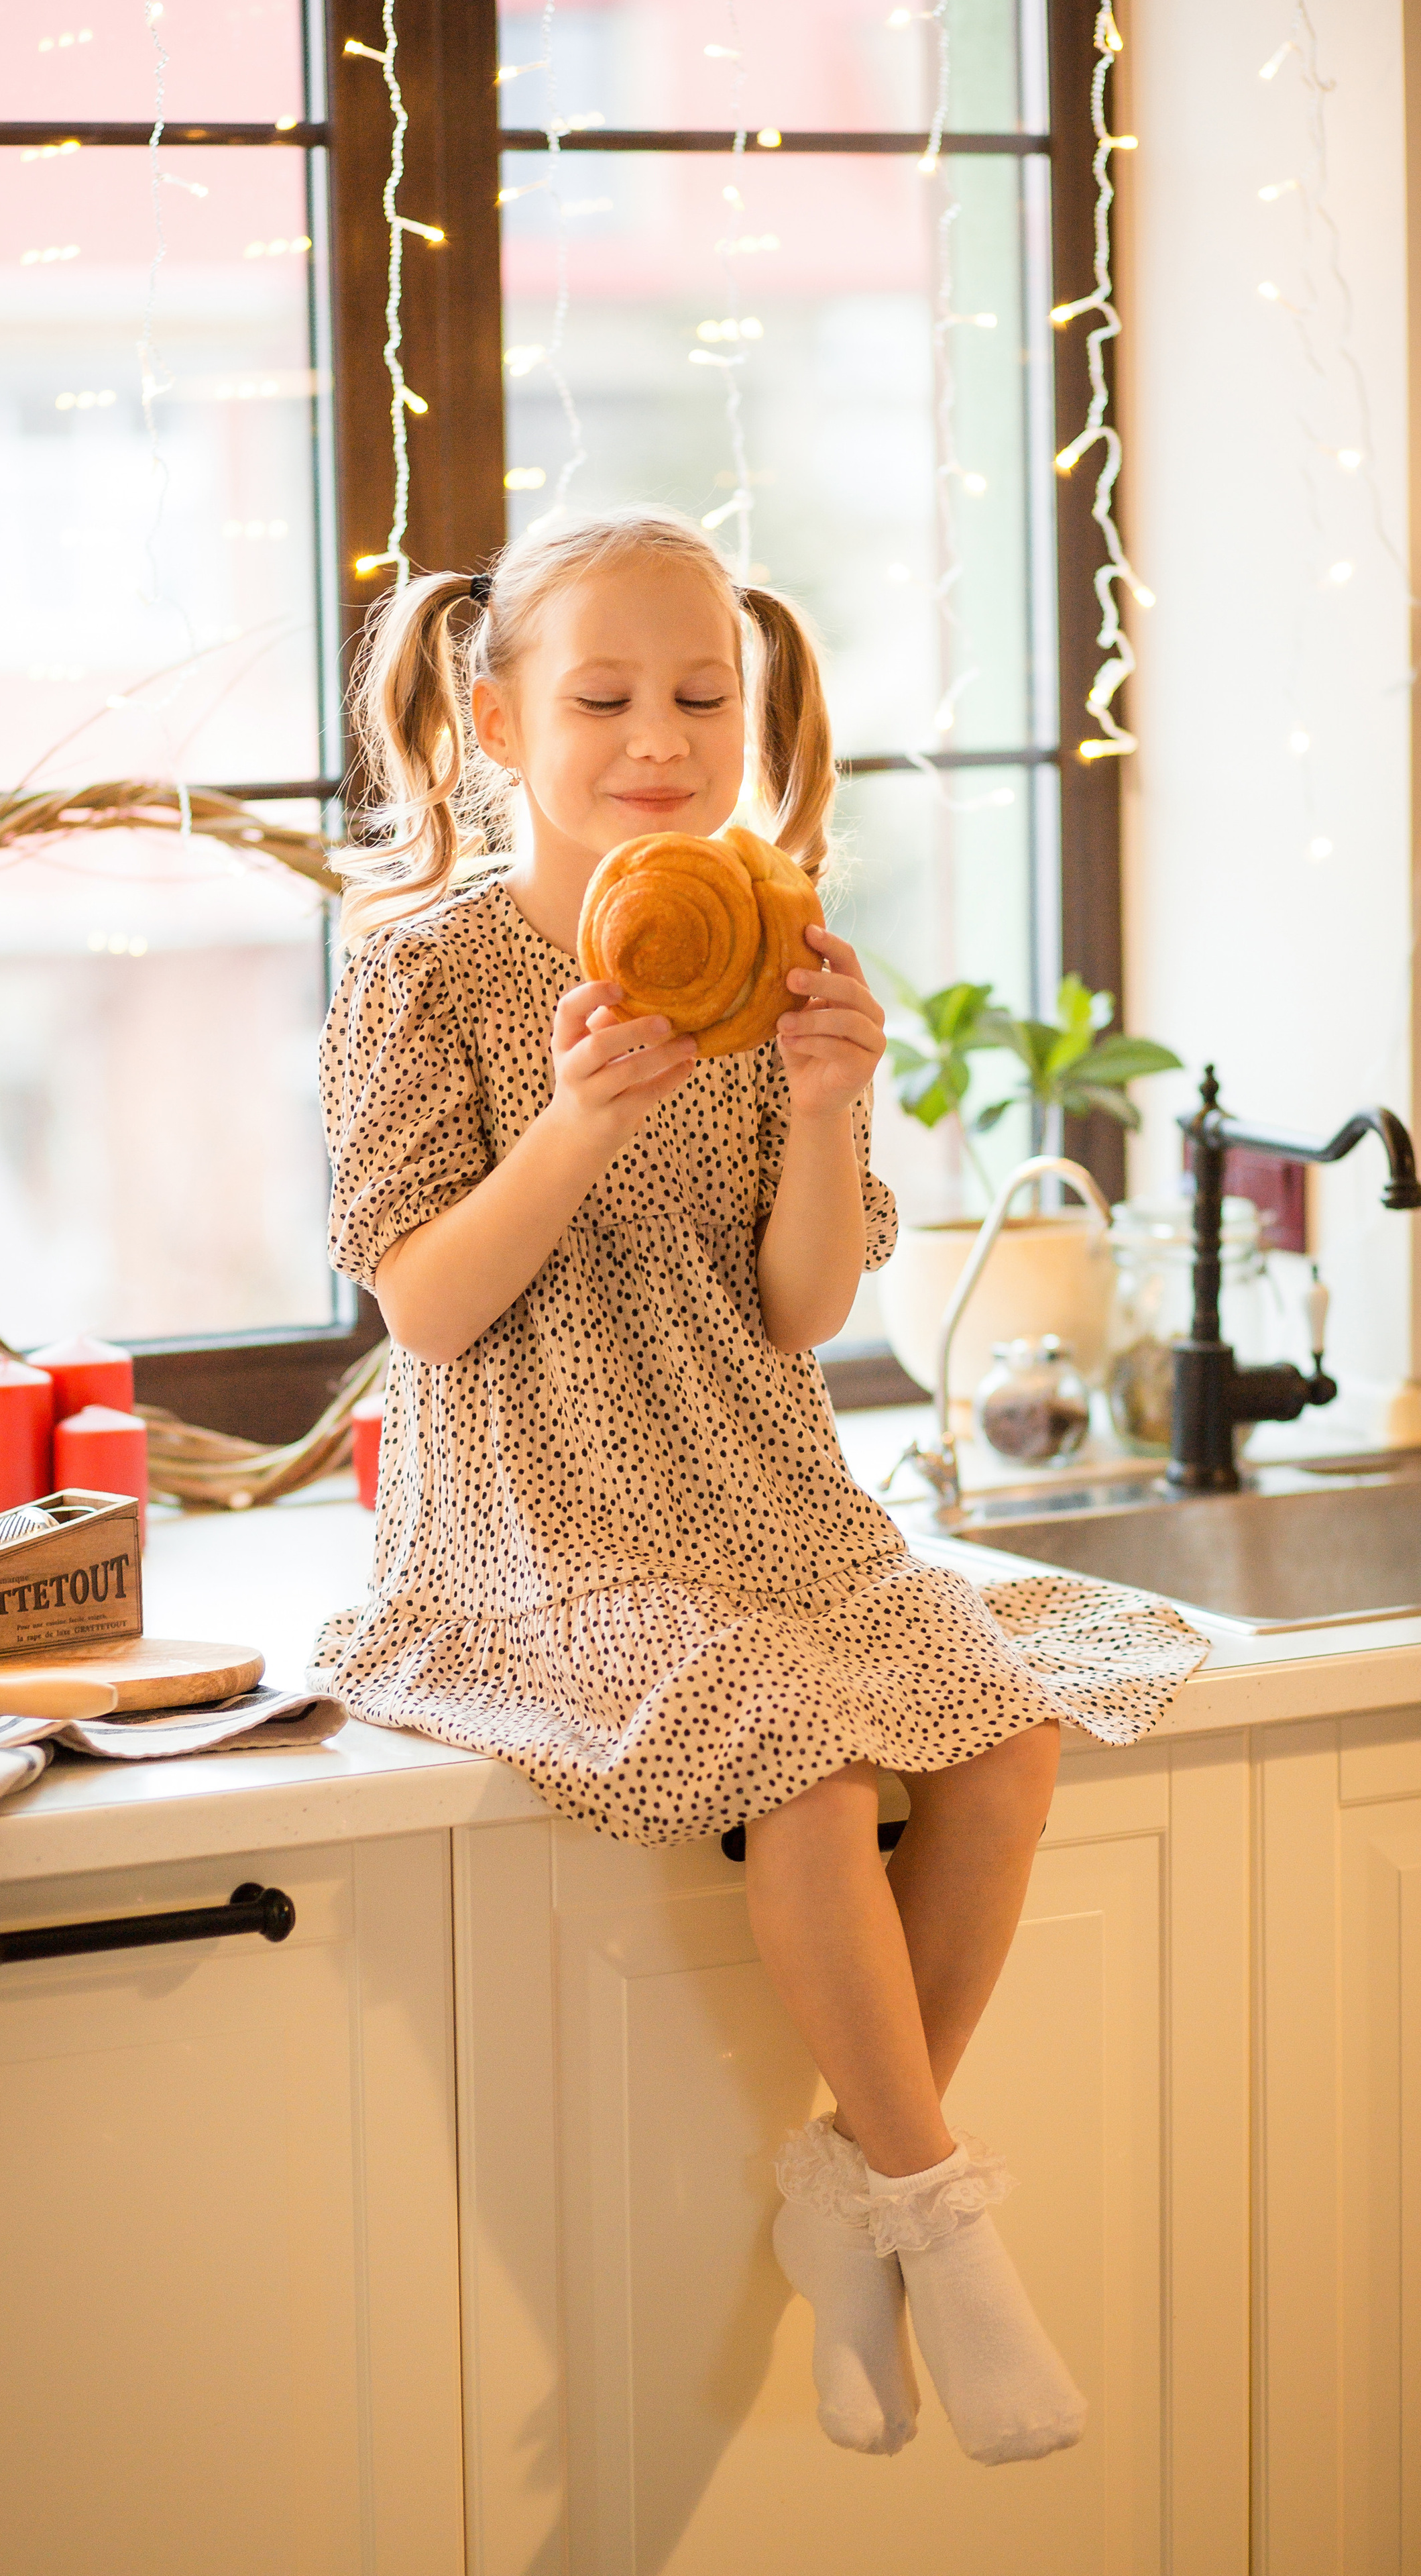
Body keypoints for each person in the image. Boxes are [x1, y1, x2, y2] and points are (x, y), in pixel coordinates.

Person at [310, 506, 1205, 2467]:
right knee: (792, 1742)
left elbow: (801, 1311)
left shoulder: (769, 949)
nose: (659, 736)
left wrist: (822, 1105)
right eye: (605, 695)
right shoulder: (423, 971)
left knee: (1009, 1722)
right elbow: (430, 1311)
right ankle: (942, 2223)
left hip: (767, 1490)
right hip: (537, 1521)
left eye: (704, 695)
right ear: (492, 719)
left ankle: (850, 2190)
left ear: (757, 709)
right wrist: (568, 1123)